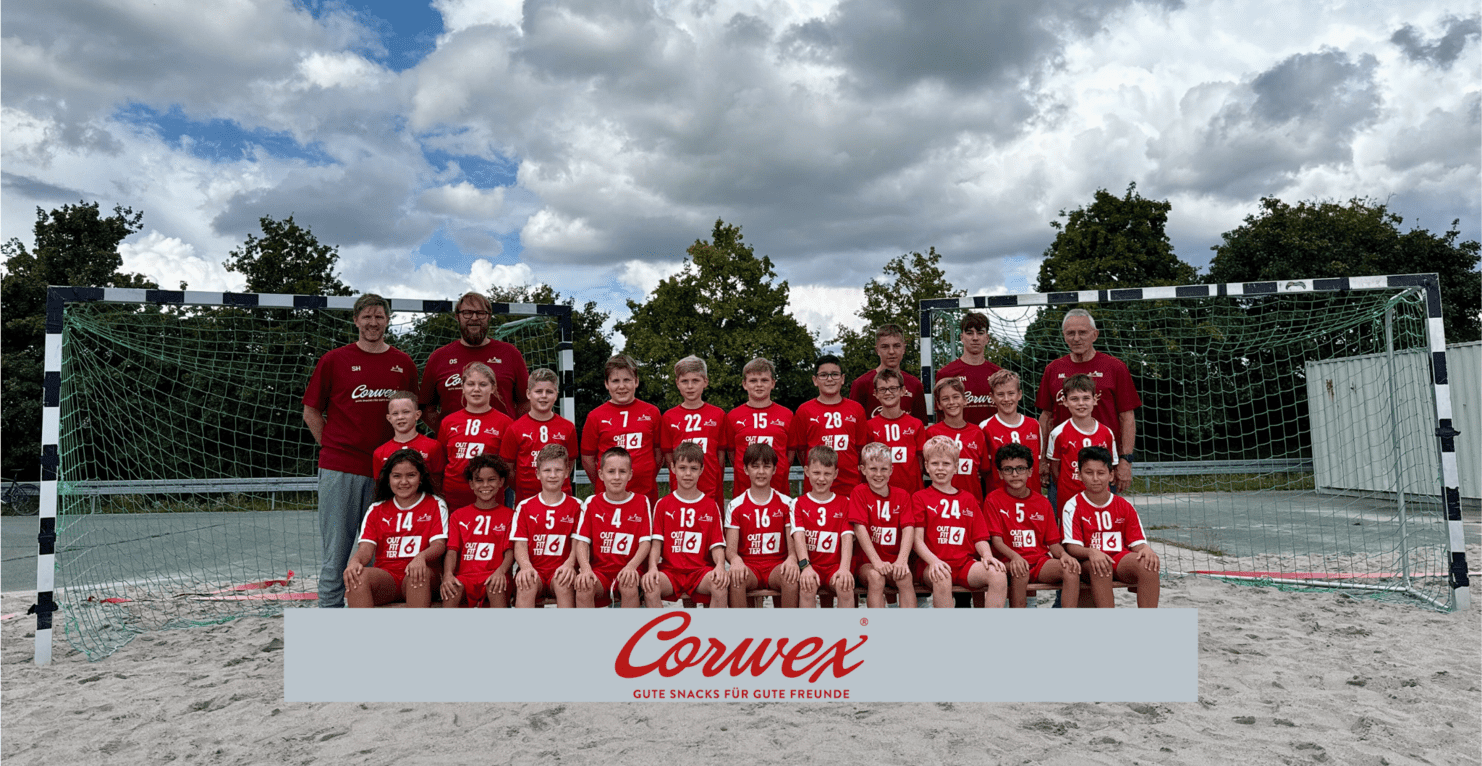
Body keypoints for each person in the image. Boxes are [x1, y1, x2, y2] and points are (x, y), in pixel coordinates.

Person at [302, 293, 419, 608]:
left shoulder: (403, 363)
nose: (373, 322)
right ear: (355, 320)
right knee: (337, 553)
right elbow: (311, 412)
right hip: (341, 469)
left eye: (379, 316)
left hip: (388, 473)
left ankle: (372, 616)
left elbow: (412, 414)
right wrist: (334, 447)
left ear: (388, 320)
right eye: (367, 316)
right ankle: (330, 613)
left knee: (382, 555)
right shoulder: (334, 360)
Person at [1036, 308, 1140, 494]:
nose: (1076, 338)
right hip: (1063, 466)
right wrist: (1042, 460)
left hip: (1103, 466)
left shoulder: (1115, 367)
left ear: (1095, 334)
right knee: (1062, 512)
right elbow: (1046, 418)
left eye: (1082, 332)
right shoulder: (1053, 369)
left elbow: (1127, 417)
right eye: (1071, 333)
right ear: (1064, 335)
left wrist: (1126, 460)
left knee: (1101, 513)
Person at [343, 449, 448, 608]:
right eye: (397, 476)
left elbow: (439, 545)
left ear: (420, 477)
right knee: (357, 576)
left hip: (423, 575)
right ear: (388, 478)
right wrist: (354, 562)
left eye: (411, 475)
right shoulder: (376, 509)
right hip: (388, 578)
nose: (404, 482)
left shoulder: (435, 504)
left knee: (417, 575)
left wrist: (421, 557)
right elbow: (366, 549)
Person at [912, 436, 1008, 608]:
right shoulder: (920, 498)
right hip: (932, 563)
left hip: (964, 565)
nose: (940, 468)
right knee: (942, 577)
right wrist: (933, 561)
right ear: (926, 466)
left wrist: (987, 555)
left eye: (946, 464)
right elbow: (917, 540)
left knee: (998, 574)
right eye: (935, 463)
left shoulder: (968, 499)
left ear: (956, 467)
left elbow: (980, 538)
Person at [1061, 446, 1160, 608]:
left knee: (1148, 564)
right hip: (1088, 563)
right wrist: (1092, 552)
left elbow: (1137, 542)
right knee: (1101, 566)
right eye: (1089, 473)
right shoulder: (1072, 505)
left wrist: (1146, 549)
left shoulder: (1124, 505)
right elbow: (1072, 547)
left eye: (1101, 473)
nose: (1095, 478)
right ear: (1079, 475)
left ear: (1111, 475)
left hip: (1119, 560)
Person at [985, 444, 1080, 609]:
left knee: (1070, 569)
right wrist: (1015, 557)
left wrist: (1064, 555)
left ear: (1030, 471)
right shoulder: (993, 499)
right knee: (1020, 570)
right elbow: (996, 541)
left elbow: (1053, 543)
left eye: (1020, 468)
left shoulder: (1042, 502)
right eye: (1008, 469)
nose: (1015, 474)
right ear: (1000, 473)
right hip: (1008, 561)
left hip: (1038, 563)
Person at [420, 291, 529, 426]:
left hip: (501, 439)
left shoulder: (510, 353)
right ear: (457, 317)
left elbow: (526, 402)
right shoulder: (439, 357)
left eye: (481, 313)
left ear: (489, 317)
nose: (474, 318)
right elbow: (426, 408)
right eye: (467, 313)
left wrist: (512, 431)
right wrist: (445, 432)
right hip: (454, 439)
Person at [644, 442, 729, 608]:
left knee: (719, 585)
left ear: (701, 470)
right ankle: (661, 626)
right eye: (682, 468)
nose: (688, 474)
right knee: (651, 585)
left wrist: (720, 566)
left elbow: (717, 546)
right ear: (673, 468)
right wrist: (652, 567)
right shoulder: (663, 504)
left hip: (700, 571)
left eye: (693, 468)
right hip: (671, 572)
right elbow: (656, 544)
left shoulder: (710, 506)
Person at [570, 448, 653, 609]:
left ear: (630, 474)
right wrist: (585, 569)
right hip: (600, 572)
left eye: (622, 471)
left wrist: (631, 566)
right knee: (584, 586)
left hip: (630, 569)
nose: (616, 477)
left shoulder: (641, 501)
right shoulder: (592, 502)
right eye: (611, 471)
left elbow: (645, 543)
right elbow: (582, 542)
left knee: (629, 584)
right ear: (601, 474)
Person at [581, 355, 663, 506]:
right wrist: (603, 482)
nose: (621, 386)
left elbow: (658, 453)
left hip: (645, 494)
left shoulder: (652, 412)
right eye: (615, 381)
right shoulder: (595, 416)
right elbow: (587, 459)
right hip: (608, 496)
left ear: (636, 382)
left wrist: (645, 475)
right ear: (606, 384)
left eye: (627, 380)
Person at [725, 443, 799, 608]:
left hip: (776, 565)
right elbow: (730, 550)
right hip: (749, 566)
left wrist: (792, 559)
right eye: (755, 466)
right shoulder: (736, 505)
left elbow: (792, 548)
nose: (761, 472)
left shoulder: (787, 503)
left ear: (774, 470)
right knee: (735, 579)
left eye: (766, 466)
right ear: (746, 469)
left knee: (790, 577)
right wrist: (735, 560)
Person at [440, 454, 516, 608]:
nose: (485, 485)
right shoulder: (458, 516)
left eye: (491, 479)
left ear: (501, 482)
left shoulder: (510, 515)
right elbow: (452, 551)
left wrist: (501, 571)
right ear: (471, 484)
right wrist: (448, 575)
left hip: (495, 574)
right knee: (451, 589)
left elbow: (510, 552)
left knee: (495, 586)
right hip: (465, 576)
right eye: (479, 480)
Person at [511, 445, 582, 608]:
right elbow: (520, 544)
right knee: (526, 583)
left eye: (558, 470)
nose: (552, 475)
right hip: (534, 568)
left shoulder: (577, 506)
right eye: (547, 470)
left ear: (567, 472)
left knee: (564, 583)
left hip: (562, 569)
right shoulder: (525, 506)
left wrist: (570, 564)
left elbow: (578, 543)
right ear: (537, 473)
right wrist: (526, 567)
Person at [849, 442, 917, 608]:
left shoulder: (902, 495)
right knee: (876, 577)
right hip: (867, 562)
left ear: (891, 470)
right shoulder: (859, 492)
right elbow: (859, 529)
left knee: (905, 577)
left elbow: (908, 529)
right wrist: (877, 561)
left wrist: (902, 560)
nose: (878, 474)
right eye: (873, 469)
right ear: (863, 469)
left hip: (894, 560)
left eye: (884, 469)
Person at [790, 355, 869, 497]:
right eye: (823, 375)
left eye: (835, 374)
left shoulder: (857, 409)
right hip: (816, 487)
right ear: (815, 380)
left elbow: (860, 450)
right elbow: (801, 451)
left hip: (849, 486)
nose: (830, 379)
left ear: (842, 379)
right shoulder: (804, 410)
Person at [438, 362, 513, 511]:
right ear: (463, 387)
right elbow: (441, 462)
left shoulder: (506, 423)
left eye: (483, 384)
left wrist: (490, 489)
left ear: (493, 388)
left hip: (490, 501)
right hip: (453, 501)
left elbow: (509, 469)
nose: (476, 389)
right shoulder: (448, 422)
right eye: (470, 384)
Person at [791, 446, 856, 609]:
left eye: (827, 473)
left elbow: (847, 538)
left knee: (845, 586)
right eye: (816, 473)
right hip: (811, 565)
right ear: (806, 471)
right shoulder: (798, 503)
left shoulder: (845, 503)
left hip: (835, 566)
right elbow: (798, 537)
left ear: (835, 474)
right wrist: (805, 567)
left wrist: (844, 568)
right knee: (807, 587)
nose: (821, 478)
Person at [500, 368, 577, 506]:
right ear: (528, 394)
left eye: (549, 392)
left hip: (561, 500)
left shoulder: (568, 427)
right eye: (538, 391)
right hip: (527, 500)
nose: (544, 396)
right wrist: (522, 488)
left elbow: (569, 464)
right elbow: (508, 469)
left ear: (556, 394)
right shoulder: (514, 428)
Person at [1046, 374, 1120, 515]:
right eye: (1074, 399)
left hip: (1099, 498)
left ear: (1095, 400)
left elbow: (1111, 466)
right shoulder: (1058, 433)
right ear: (1065, 401)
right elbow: (1055, 470)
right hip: (1068, 498)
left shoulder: (1106, 433)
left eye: (1086, 398)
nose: (1081, 403)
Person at [660, 356, 727, 511]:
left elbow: (720, 455)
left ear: (705, 382)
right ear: (677, 383)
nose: (690, 386)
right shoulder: (669, 417)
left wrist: (716, 480)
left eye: (695, 381)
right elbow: (669, 455)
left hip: (710, 488)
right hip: (680, 489)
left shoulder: (718, 414)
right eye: (684, 381)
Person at [723, 358, 794, 497]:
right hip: (744, 490)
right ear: (745, 384)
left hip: (778, 488)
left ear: (773, 383)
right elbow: (732, 453)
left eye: (764, 380)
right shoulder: (732, 416)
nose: (759, 385)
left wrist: (779, 469)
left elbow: (790, 453)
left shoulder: (787, 415)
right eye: (753, 380)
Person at [924, 376, 990, 502]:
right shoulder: (932, 433)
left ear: (965, 400)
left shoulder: (977, 432)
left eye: (956, 397)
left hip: (972, 502)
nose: (951, 402)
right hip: (940, 501)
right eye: (945, 399)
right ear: (939, 404)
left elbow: (984, 469)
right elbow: (927, 469)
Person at [979, 370, 1041, 496]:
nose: (1006, 399)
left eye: (1011, 393)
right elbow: (984, 470)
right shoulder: (985, 427)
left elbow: (1037, 465)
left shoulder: (1034, 425)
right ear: (992, 397)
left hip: (1031, 497)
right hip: (1000, 499)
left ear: (1019, 394)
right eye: (1000, 394)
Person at [866, 368, 927, 493]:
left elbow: (921, 462)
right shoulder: (869, 426)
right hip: (881, 492)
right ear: (876, 393)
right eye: (882, 389)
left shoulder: (916, 424)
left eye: (893, 388)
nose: (888, 393)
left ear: (903, 391)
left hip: (911, 493)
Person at [937, 311, 1003, 426]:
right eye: (969, 333)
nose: (975, 338)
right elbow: (941, 418)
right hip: (959, 436)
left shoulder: (998, 374)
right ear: (962, 337)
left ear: (987, 338)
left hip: (993, 436)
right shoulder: (946, 374)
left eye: (980, 333)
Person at [849, 324, 928, 420]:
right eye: (885, 347)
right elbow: (852, 422)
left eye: (896, 346)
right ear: (877, 350)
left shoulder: (915, 384)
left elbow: (921, 424)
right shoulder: (861, 384)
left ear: (904, 349)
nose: (891, 351)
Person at [371, 391, 446, 492]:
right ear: (389, 418)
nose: (400, 417)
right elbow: (380, 488)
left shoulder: (433, 446)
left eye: (406, 412)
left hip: (426, 499)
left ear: (417, 415)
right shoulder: (379, 453)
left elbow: (439, 483)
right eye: (395, 413)